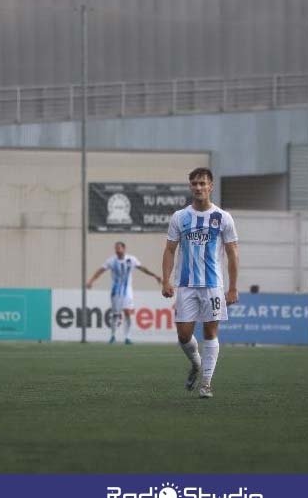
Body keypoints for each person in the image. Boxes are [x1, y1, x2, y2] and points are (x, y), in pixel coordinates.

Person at [162, 167, 239, 399]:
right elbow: (169, 250)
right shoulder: (180, 217)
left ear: (211, 186)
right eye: (194, 183)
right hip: (186, 284)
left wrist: (233, 287)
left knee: (210, 331)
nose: (198, 187)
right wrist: (166, 280)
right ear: (190, 187)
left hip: (213, 284)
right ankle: (196, 364)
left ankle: (206, 383)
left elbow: (233, 253)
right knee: (184, 335)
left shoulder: (223, 218)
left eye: (202, 183)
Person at [87, 242, 162, 344]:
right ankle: (113, 336)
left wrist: (155, 276)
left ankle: (127, 337)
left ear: (124, 248)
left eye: (119, 248)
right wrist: (91, 281)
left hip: (127, 291)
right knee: (115, 314)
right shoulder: (112, 261)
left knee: (127, 312)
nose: (117, 250)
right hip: (115, 291)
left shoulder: (131, 259)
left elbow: (143, 269)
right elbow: (100, 270)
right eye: (116, 249)